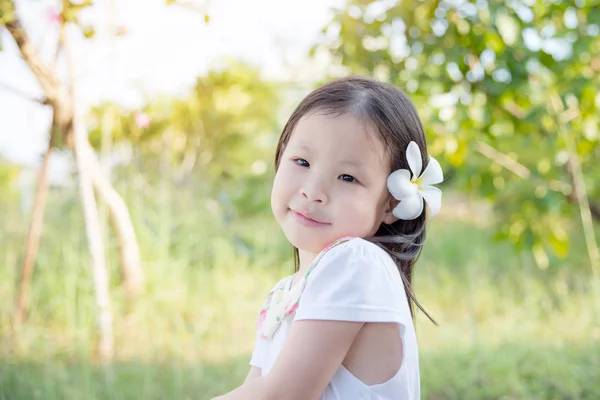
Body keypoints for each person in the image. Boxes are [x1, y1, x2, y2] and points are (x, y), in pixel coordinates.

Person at [212, 76, 443, 400]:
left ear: (391, 203)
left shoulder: (356, 261)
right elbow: (256, 389)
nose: (313, 191)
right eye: (302, 162)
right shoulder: (283, 294)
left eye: (348, 177)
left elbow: (281, 396)